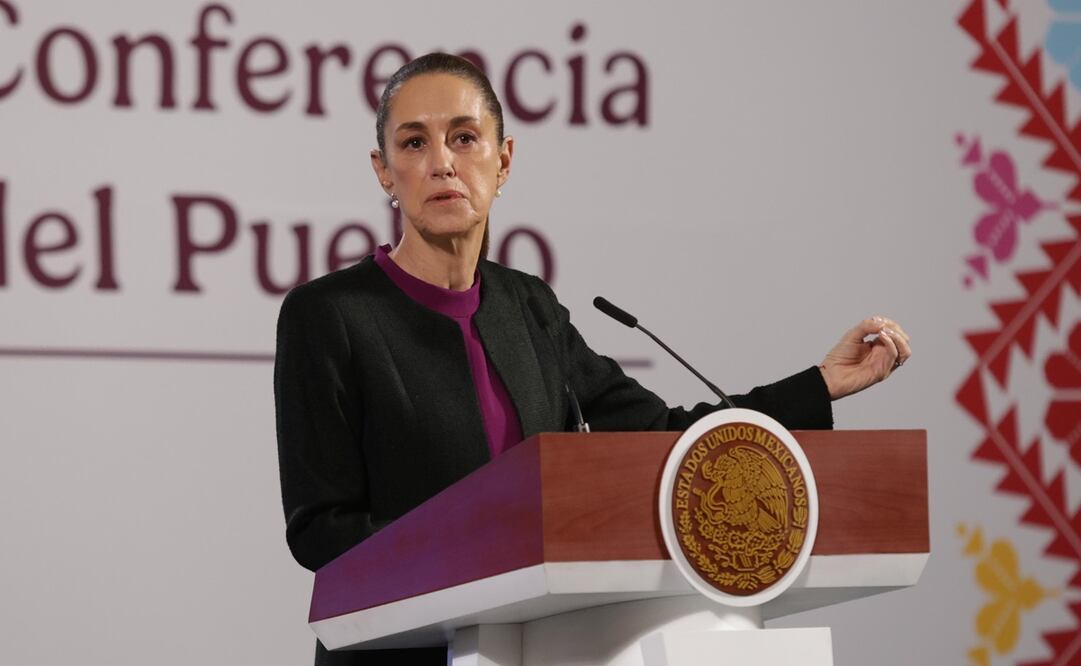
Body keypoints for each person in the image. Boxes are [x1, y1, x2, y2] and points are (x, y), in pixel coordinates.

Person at [274, 53, 912, 666]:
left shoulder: (529, 308)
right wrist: (480, 552)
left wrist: (820, 385)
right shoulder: (329, 315)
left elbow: (664, 441)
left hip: (543, 649)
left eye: (465, 137)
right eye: (414, 143)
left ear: (504, 159)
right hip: (401, 655)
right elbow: (321, 530)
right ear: (384, 170)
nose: (442, 162)